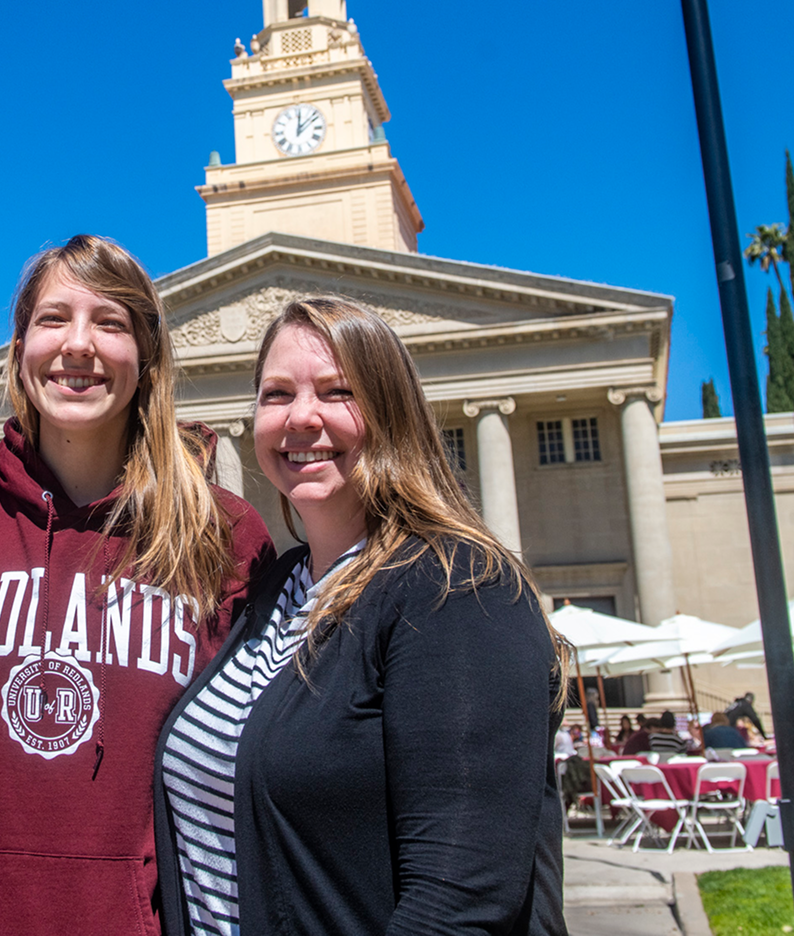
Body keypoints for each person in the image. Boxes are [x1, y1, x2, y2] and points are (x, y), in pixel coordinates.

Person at [154, 296, 565, 936]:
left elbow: (460, 903)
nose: (301, 417)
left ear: (391, 411)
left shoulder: (456, 589)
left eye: (337, 391)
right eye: (276, 393)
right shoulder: (272, 591)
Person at [0, 235, 274, 935]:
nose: (79, 344)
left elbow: (256, 768)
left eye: (110, 322)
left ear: (148, 358)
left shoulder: (222, 534)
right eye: (53, 319)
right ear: (20, 349)